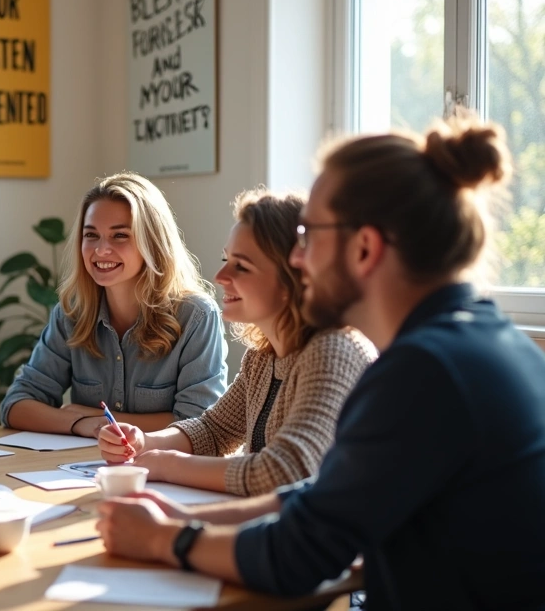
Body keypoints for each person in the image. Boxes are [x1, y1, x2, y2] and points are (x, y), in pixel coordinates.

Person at [95, 114, 545, 609]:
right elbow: (325, 498)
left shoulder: (424, 371)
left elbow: (300, 554)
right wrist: (179, 519)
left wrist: (165, 540)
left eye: (309, 234)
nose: (298, 259)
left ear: (365, 248)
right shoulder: (482, 342)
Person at [97, 189, 375, 496]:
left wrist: (167, 464)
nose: (220, 275)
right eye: (225, 259)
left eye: (240, 266)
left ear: (294, 277)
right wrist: (146, 441)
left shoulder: (332, 352)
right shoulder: (262, 356)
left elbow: (287, 471)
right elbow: (215, 431)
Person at [0, 173, 227, 437]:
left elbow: (198, 424)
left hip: (163, 472)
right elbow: (16, 405)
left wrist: (100, 417)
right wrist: (80, 424)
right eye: (91, 235)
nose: (101, 249)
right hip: (82, 470)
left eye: (120, 236)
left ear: (152, 243)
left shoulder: (196, 316)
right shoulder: (72, 313)